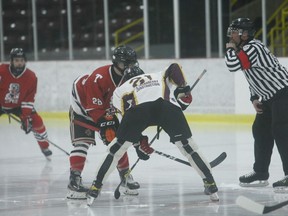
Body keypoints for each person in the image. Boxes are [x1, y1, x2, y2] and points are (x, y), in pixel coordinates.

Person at [86, 63, 219, 205]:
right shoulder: (158, 75)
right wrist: (183, 88)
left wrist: (140, 142)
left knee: (115, 150)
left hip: (138, 112)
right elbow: (174, 67)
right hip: (167, 107)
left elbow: (127, 121)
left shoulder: (119, 90)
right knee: (189, 148)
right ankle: (211, 184)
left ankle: (96, 187)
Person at [67, 45, 141, 199]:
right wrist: (105, 123)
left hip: (104, 110)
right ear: (116, 63)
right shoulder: (99, 77)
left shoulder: (131, 80)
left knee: (116, 141)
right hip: (81, 109)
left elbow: (131, 108)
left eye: (131, 64)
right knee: (82, 143)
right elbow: (94, 108)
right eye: (124, 64)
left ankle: (125, 177)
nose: (129, 68)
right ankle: (74, 181)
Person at [225, 18, 288, 191]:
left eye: (235, 31)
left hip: (283, 93)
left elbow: (232, 66)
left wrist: (230, 50)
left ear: (245, 34)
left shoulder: (253, 48)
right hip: (270, 97)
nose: (231, 35)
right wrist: (254, 97)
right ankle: (260, 172)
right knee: (260, 131)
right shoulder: (246, 49)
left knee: (281, 131)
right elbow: (252, 76)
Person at [0, 48, 52, 160]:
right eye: (17, 60)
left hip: (18, 106)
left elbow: (29, 99)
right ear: (11, 61)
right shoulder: (1, 71)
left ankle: (44, 147)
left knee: (37, 121)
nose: (19, 63)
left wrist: (26, 117)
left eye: (22, 60)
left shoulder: (31, 76)